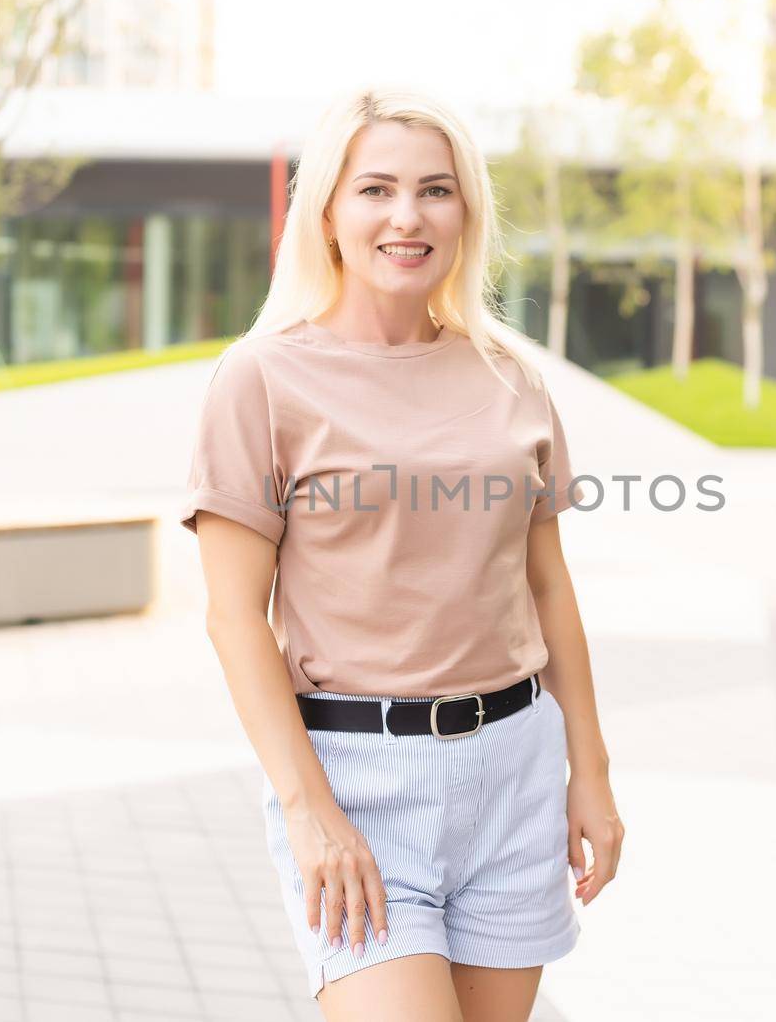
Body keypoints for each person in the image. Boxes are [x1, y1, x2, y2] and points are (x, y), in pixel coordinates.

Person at [179, 87, 623, 1022]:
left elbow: (547, 584)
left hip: (515, 772)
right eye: (376, 189)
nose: (407, 216)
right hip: (357, 779)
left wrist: (593, 770)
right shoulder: (260, 378)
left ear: (467, 212)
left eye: (436, 190)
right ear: (330, 212)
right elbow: (233, 618)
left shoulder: (511, 377)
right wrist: (308, 811)